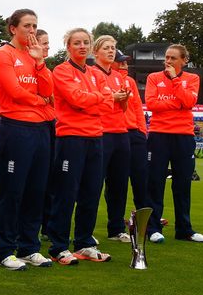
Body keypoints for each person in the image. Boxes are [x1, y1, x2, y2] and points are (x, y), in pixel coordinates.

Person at [0, 10, 54, 270]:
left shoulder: (34, 56)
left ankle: (30, 247)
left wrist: (39, 63)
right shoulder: (3, 54)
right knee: (12, 190)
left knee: (36, 191)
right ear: (12, 28)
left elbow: (49, 90)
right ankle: (4, 249)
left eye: (35, 26)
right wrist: (39, 100)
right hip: (15, 127)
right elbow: (14, 91)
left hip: (40, 129)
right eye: (27, 25)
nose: (32, 30)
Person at [45, 28, 114, 265]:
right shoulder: (61, 71)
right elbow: (77, 100)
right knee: (66, 193)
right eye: (77, 43)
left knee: (91, 193)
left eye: (86, 42)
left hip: (96, 137)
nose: (82, 46)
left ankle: (84, 243)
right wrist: (97, 97)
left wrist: (91, 98)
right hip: (70, 138)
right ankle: (58, 246)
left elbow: (107, 106)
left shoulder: (97, 73)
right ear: (68, 47)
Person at [145, 44, 203, 243]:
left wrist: (174, 80)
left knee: (182, 184)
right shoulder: (154, 78)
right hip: (159, 135)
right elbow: (152, 104)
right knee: (155, 183)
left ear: (184, 61)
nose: (168, 62)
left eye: (173, 58)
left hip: (183, 136)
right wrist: (177, 103)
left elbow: (189, 102)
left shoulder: (192, 78)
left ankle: (184, 230)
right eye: (167, 57)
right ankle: (153, 228)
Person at [91, 36, 133, 243]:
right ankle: (86, 230)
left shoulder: (119, 76)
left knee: (119, 184)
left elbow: (124, 108)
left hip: (121, 132)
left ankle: (116, 228)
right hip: (100, 132)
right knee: (93, 184)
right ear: (95, 52)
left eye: (113, 48)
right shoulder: (91, 74)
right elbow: (91, 104)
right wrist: (111, 98)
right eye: (106, 48)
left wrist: (122, 100)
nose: (111, 51)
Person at [113, 50, 149, 214]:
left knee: (141, 179)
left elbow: (137, 109)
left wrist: (142, 131)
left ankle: (145, 220)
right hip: (116, 133)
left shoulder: (130, 81)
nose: (124, 65)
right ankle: (116, 223)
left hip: (135, 134)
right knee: (117, 182)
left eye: (125, 62)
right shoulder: (103, 79)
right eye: (120, 62)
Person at [36, 29, 56, 240]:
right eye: (45, 43)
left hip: (51, 124)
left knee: (49, 182)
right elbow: (46, 97)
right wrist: (45, 99)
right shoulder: (32, 68)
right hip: (36, 125)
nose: (48, 47)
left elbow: (52, 98)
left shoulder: (47, 71)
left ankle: (46, 226)